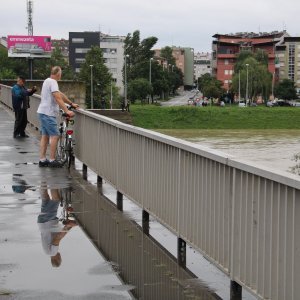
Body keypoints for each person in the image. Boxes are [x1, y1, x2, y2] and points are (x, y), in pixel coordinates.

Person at [37, 66, 79, 168]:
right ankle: (52, 160)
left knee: (45, 136)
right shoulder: (53, 82)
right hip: (48, 114)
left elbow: (60, 95)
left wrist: (71, 103)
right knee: (55, 136)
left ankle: (42, 160)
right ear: (58, 74)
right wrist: (67, 111)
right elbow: (57, 98)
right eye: (61, 74)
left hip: (42, 112)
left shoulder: (47, 81)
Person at [37, 185, 77, 267]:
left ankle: (53, 181)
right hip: (42, 222)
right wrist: (69, 227)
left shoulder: (53, 252)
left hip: (48, 221)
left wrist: (68, 226)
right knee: (45, 198)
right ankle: (44, 179)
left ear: (56, 259)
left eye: (60, 258)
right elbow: (58, 236)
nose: (60, 256)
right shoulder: (47, 252)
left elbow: (57, 238)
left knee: (56, 199)